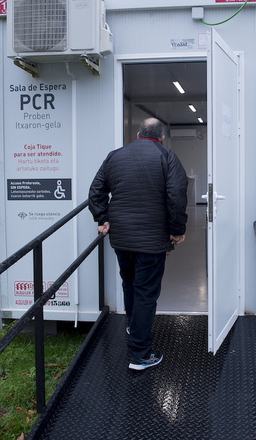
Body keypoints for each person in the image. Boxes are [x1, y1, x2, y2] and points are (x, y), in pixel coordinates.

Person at [88, 118, 188, 370]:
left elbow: (96, 190)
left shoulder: (115, 156)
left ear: (137, 134)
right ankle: (140, 354)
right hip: (152, 240)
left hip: (121, 238)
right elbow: (176, 195)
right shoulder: (167, 156)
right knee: (146, 292)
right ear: (162, 138)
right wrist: (177, 230)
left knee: (130, 283)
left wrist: (102, 218)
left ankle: (134, 326)